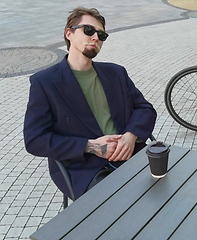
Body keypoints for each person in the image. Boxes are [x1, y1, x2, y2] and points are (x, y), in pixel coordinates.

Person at [23, 7, 157, 200]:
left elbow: (145, 108)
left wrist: (131, 136)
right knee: (122, 209)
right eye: (88, 30)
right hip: (86, 169)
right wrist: (90, 146)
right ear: (69, 33)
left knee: (174, 188)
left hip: (131, 153)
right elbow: (35, 139)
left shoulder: (116, 73)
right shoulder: (45, 82)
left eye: (101, 34)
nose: (95, 37)